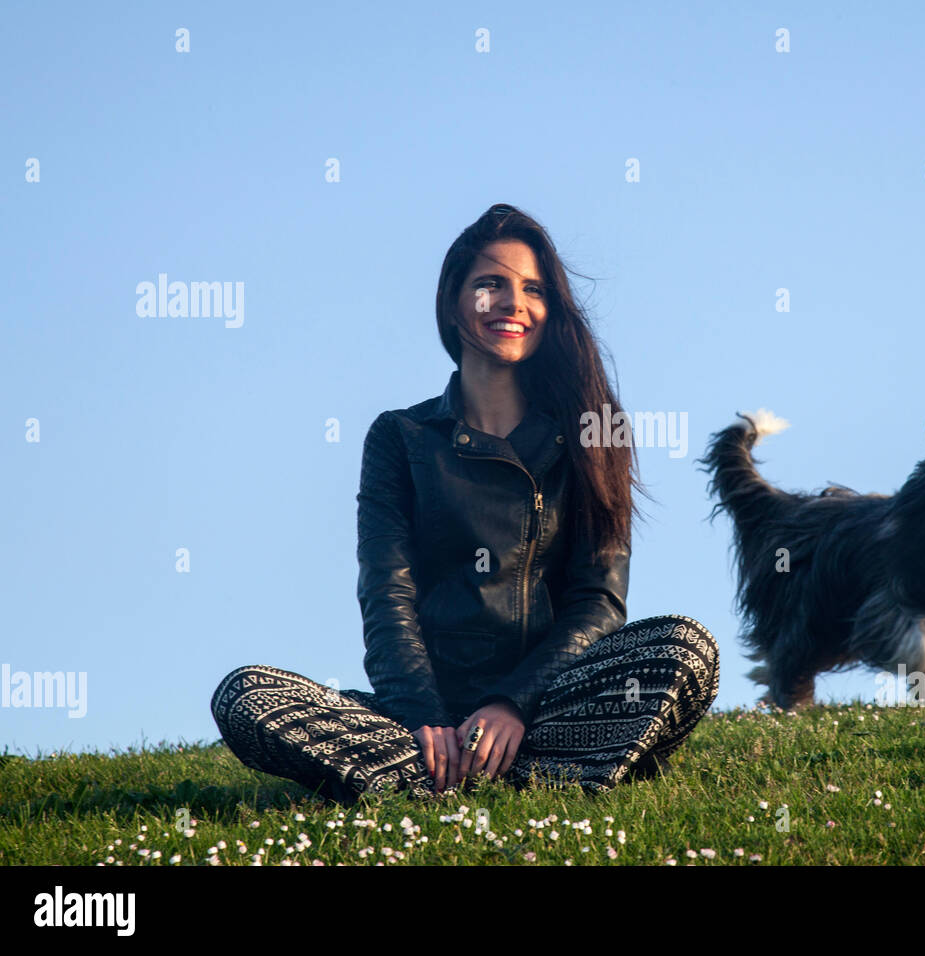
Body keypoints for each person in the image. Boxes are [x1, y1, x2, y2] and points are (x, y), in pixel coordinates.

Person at [210, 203, 719, 803]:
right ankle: (487, 768)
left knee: (688, 649)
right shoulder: (401, 437)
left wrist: (511, 704)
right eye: (490, 285)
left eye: (533, 289)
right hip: (419, 717)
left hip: (544, 706)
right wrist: (423, 718)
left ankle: (448, 775)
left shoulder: (593, 434)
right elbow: (387, 592)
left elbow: (600, 603)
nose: (514, 303)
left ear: (550, 311)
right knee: (246, 695)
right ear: (454, 303)